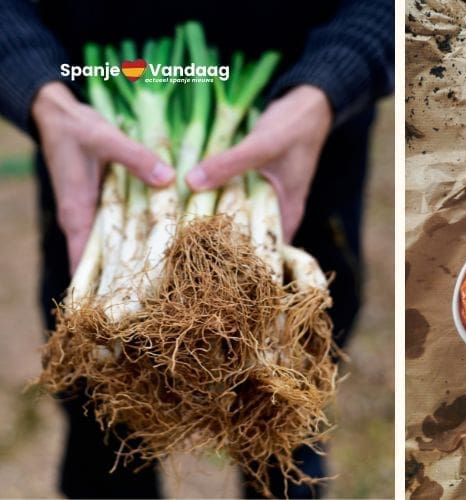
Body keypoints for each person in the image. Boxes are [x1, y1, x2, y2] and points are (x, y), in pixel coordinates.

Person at [0, 0, 394, 498]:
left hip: (302, 146)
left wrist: (333, 83)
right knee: (101, 409)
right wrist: (41, 93)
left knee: (283, 406)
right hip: (90, 152)